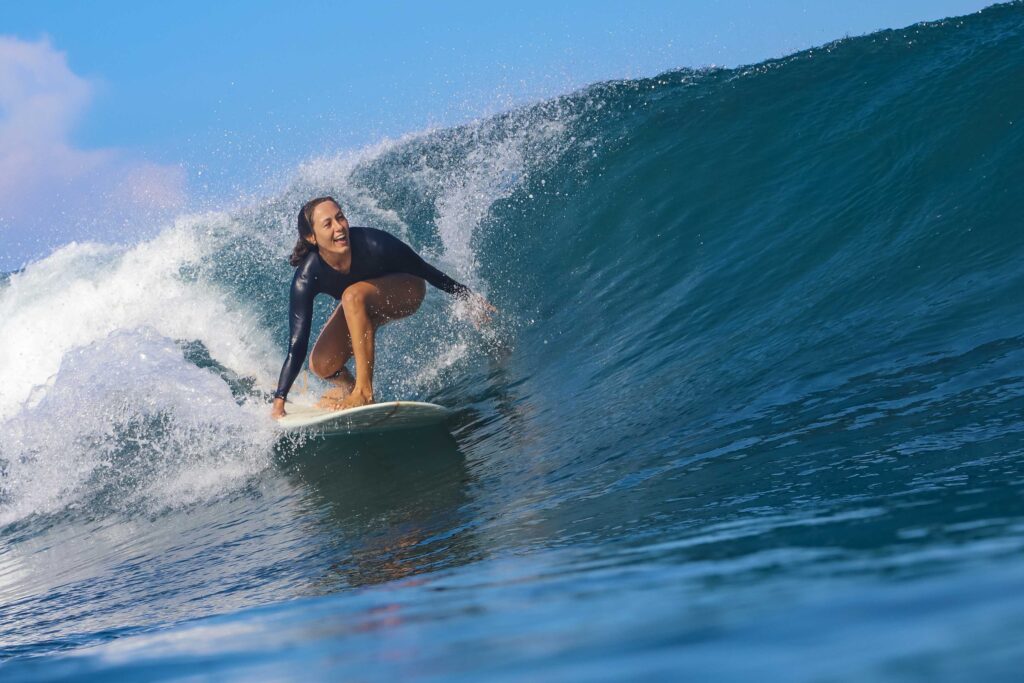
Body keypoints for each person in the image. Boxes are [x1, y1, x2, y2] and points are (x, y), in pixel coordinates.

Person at [271, 196, 493, 419]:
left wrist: (468, 297)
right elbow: (297, 344)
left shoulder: (373, 243)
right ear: (311, 237)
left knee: (351, 296)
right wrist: (279, 401)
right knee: (321, 364)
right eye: (328, 224)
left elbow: (424, 270)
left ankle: (364, 392)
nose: (339, 227)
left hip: (406, 291)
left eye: (340, 217)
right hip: (362, 304)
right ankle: (349, 390)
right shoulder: (307, 276)